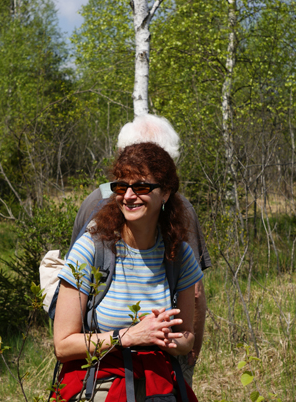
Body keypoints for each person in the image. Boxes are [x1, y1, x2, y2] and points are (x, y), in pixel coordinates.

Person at [54, 142, 203, 401]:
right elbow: (63, 345)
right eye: (121, 187)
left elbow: (188, 338)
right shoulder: (92, 249)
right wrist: (129, 336)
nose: (129, 195)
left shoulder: (179, 256)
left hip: (158, 385)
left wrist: (166, 339)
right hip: (100, 381)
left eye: (142, 187)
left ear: (165, 193)